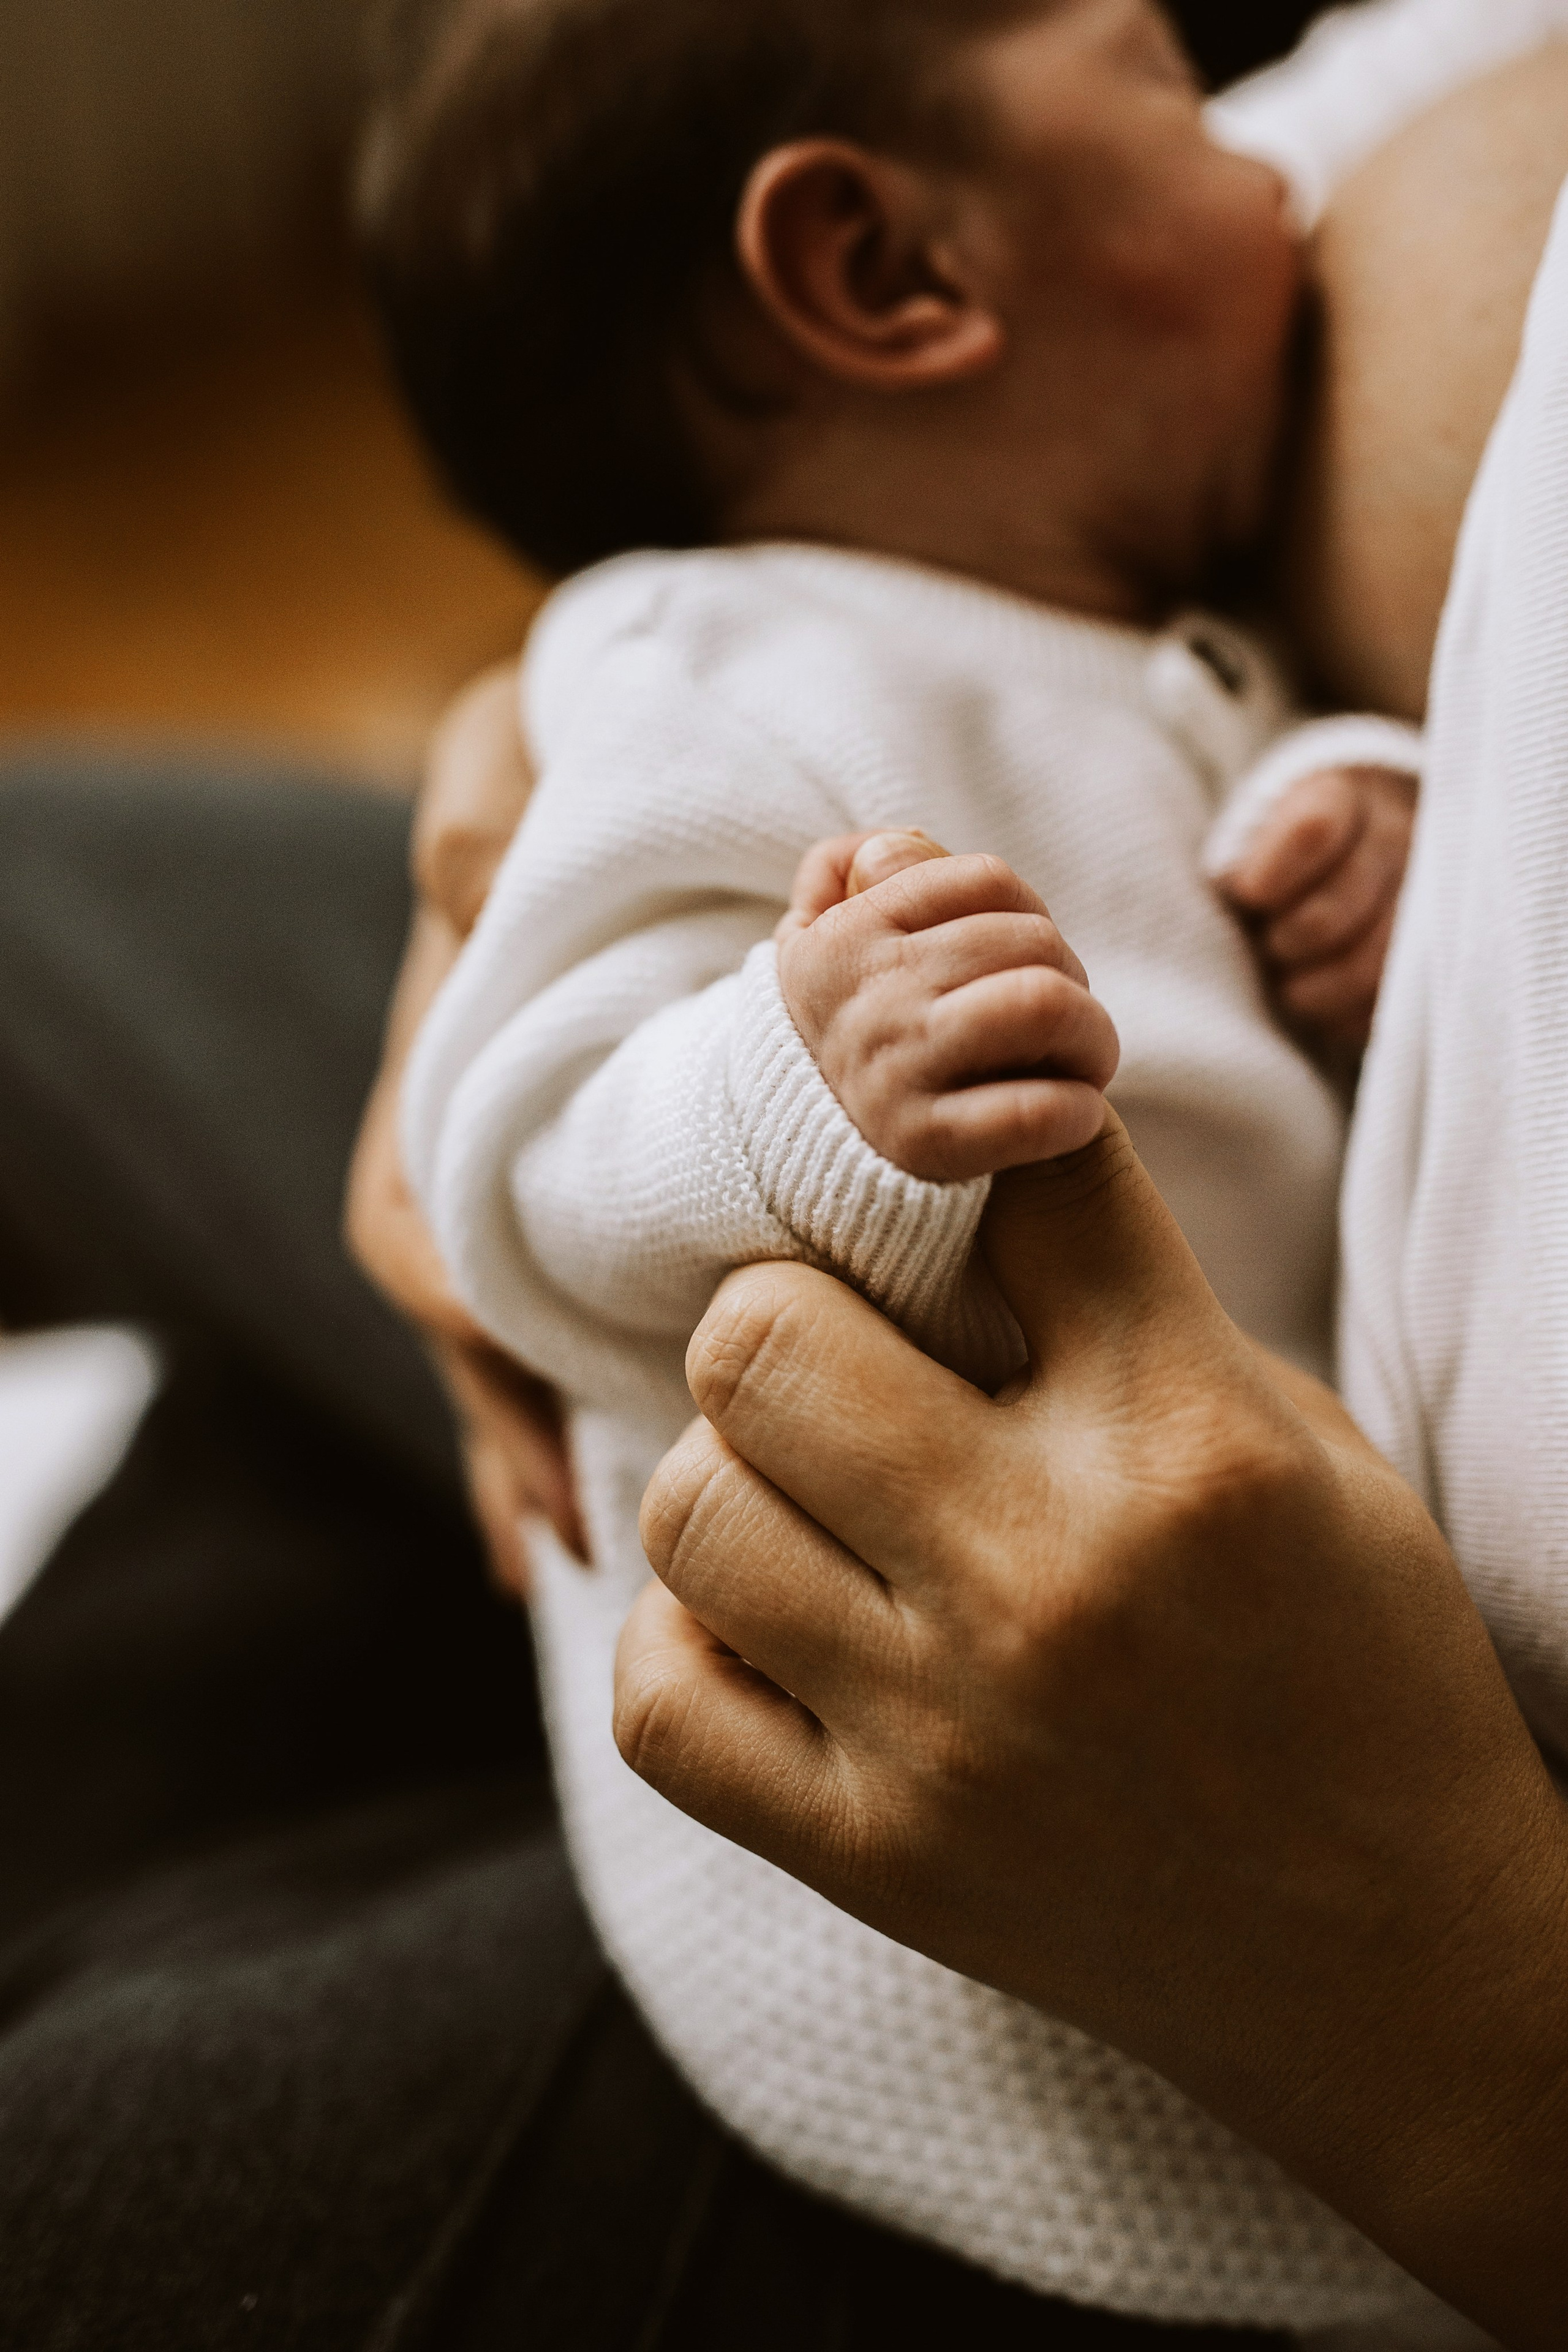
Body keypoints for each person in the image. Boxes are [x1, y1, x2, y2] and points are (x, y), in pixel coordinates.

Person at [361, 0, 1448, 2330]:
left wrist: (1374, 823)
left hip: (1286, 1789)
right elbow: (521, 1158)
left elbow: (1221, 892)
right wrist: (789, 1084)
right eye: (1170, 81)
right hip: (880, 1823)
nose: (1276, 166)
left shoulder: (1152, 641)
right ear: (882, 271)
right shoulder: (716, 671)